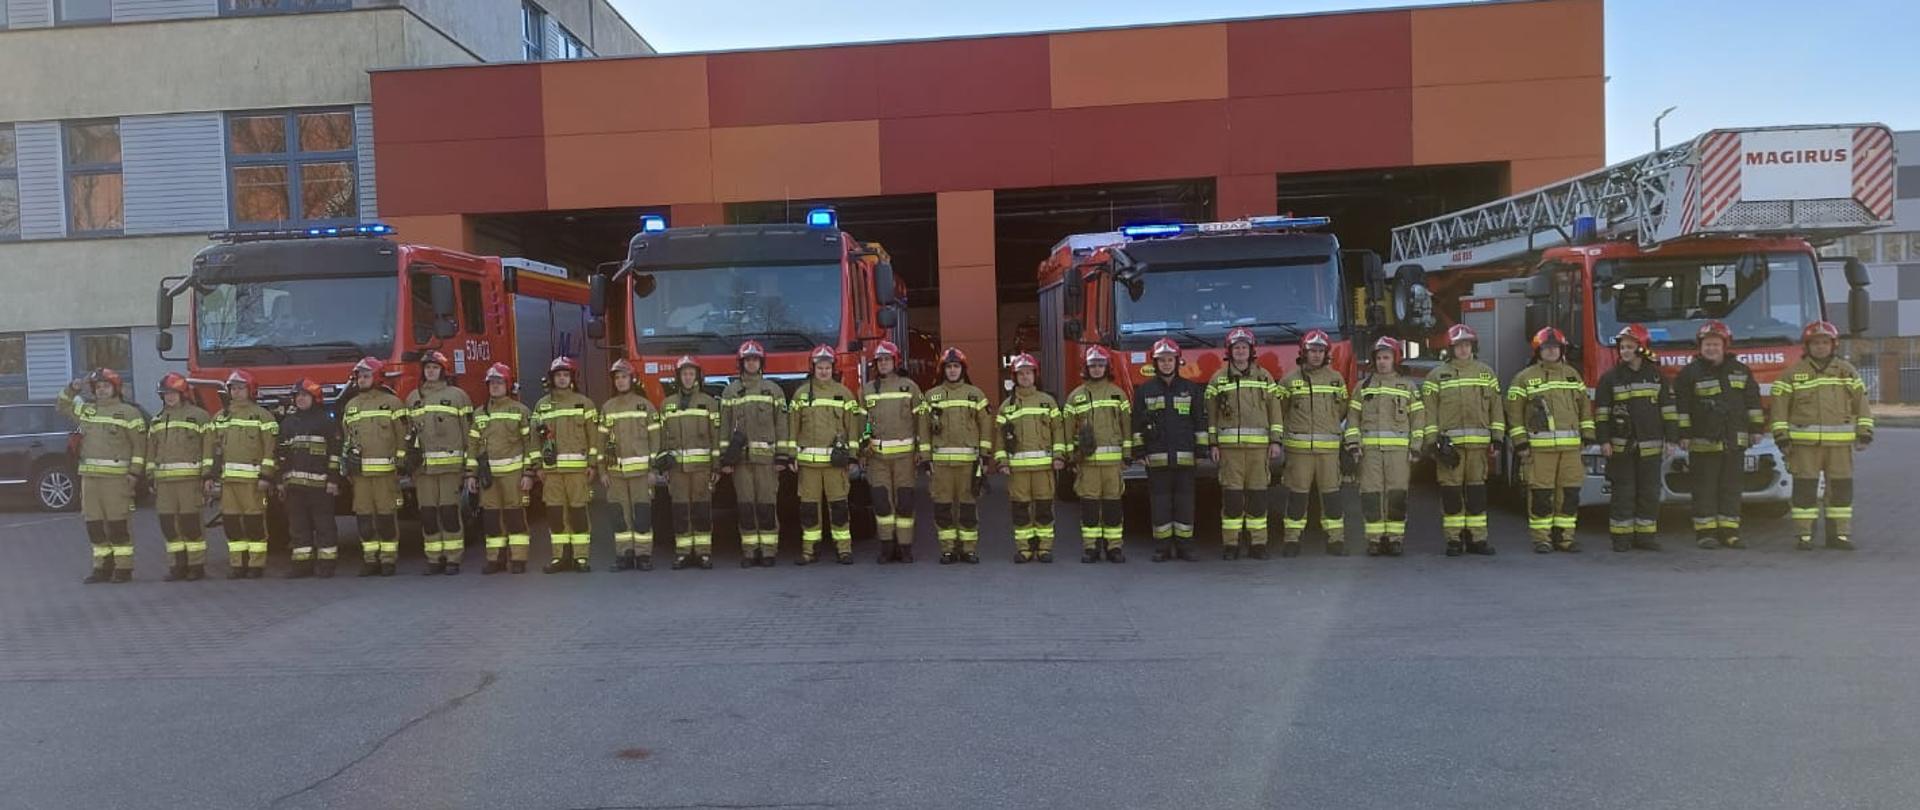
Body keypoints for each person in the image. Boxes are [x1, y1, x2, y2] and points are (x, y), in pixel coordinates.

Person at [1771, 320, 1874, 550]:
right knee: (1805, 490)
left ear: (1833, 345)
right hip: (1803, 446)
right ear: (1807, 346)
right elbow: (1779, 408)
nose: (1820, 347)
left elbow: (1862, 403)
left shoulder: (1847, 372)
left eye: (1825, 342)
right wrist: (1781, 436)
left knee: (1840, 489)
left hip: (1839, 447)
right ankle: (1804, 536)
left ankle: (1839, 535)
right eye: (1815, 343)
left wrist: (1865, 433)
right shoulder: (1792, 374)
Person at [1671, 320, 1764, 550]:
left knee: (1731, 488)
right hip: (1703, 443)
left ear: (1725, 346)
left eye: (1715, 344)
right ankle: (1705, 533)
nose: (1711, 348)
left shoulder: (1740, 371)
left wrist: (1756, 429)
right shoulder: (1690, 373)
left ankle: (1730, 532)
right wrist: (1683, 434)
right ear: (1700, 347)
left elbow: (1752, 402)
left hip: (1734, 440)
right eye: (1707, 344)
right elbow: (1681, 408)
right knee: (1704, 489)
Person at [1507, 327, 1595, 553]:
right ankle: (1542, 539)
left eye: (1555, 348)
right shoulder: (1524, 378)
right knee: (1541, 495)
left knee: (1569, 494)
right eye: (1546, 348)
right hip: (1539, 450)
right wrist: (1521, 444)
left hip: (1571, 449)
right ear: (1538, 351)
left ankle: (1565, 538)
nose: (1551, 352)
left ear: (1562, 350)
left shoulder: (1572, 375)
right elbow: (1514, 414)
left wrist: (1587, 436)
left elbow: (1584, 408)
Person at [58, 369, 147, 583]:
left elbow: (140, 446)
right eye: (98, 387)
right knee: (94, 525)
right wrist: (73, 387)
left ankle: (123, 568)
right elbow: (62, 405)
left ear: (115, 388)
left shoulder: (129, 413)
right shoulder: (88, 410)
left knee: (118, 524)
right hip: (89, 480)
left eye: (106, 386)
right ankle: (101, 568)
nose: (101, 390)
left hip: (117, 480)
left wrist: (135, 474)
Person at [1422, 324, 1503, 556]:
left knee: (1477, 495)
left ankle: (1478, 540)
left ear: (1473, 347)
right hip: (1450, 450)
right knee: (1451, 494)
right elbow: (1429, 412)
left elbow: (1496, 409)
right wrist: (1432, 443)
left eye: (1467, 345)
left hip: (1478, 449)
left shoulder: (1486, 373)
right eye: (1458, 346)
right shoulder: (1436, 376)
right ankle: (1454, 540)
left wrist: (1497, 439)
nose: (1463, 349)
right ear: (1451, 349)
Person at [1206, 327, 1283, 560]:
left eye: (1244, 347)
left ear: (1251, 351)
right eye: (1236, 347)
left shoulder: (1265, 377)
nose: (1240, 351)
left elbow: (1275, 412)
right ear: (1230, 351)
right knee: (1232, 499)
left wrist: (1275, 441)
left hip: (1259, 450)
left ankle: (1258, 544)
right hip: (1230, 451)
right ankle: (1231, 544)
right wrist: (1213, 444)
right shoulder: (1218, 380)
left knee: (1258, 497)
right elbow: (1210, 416)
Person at [1345, 337, 1425, 557]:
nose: (1382, 362)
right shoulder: (1363, 387)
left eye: (1386, 357)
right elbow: (1353, 419)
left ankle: (1395, 539)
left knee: (1397, 495)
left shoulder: (1407, 386)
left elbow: (1418, 419)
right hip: (1369, 454)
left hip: (1399, 454)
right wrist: (1353, 445)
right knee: (1371, 495)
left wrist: (1416, 447)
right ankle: (1374, 540)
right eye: (1379, 358)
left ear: (1394, 359)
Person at [1594, 324, 1671, 553]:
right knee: (1623, 493)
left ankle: (1646, 537)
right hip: (1621, 448)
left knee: (1649, 492)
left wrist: (1673, 439)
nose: (1624, 351)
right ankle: (1621, 538)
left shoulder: (1657, 376)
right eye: (1622, 347)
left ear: (1642, 348)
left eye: (1629, 347)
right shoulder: (1610, 378)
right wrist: (1604, 441)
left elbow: (1669, 411)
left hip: (1651, 447)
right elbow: (1602, 414)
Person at [789, 346, 864, 564]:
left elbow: (853, 429)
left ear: (833, 368)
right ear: (813, 368)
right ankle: (809, 551)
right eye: (820, 367)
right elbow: (792, 428)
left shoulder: (844, 394)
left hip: (835, 464)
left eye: (827, 367)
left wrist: (851, 457)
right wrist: (790, 455)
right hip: (808, 465)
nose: (823, 371)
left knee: (839, 507)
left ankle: (844, 550)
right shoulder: (801, 395)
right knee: (809, 509)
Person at [1134, 337, 1207, 562]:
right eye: (1162, 360)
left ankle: (1185, 547)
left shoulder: (1191, 389)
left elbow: (1199, 422)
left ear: (1178, 362)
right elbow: (1136, 424)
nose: (1166, 364)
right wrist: (1139, 453)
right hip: (1156, 460)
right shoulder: (1144, 391)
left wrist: (1201, 451)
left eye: (1170, 360)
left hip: (1185, 459)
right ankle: (1162, 547)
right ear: (1155, 364)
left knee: (1185, 504)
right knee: (1160, 505)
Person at [1276, 329, 1348, 556]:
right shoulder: (1288, 380)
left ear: (1326, 354)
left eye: (1320, 351)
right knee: (1297, 496)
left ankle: (1336, 540)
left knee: (1332, 496)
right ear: (1303, 353)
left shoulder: (1336, 379)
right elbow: (1281, 411)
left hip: (1328, 452)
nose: (1316, 355)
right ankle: (1292, 541)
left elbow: (1342, 410)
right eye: (1312, 351)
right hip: (1299, 452)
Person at [720, 340, 788, 567]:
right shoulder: (730, 391)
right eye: (747, 360)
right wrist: (725, 459)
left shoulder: (773, 390)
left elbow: (782, 426)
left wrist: (782, 456)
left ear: (761, 363)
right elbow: (724, 428)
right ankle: (750, 551)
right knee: (746, 506)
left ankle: (768, 551)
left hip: (767, 462)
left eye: (755, 359)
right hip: (740, 462)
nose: (751, 363)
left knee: (767, 505)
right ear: (741, 363)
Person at [925, 347, 994, 564]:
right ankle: (948, 550)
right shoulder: (931, 396)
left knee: (967, 508)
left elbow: (986, 425)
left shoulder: (975, 395)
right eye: (948, 367)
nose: (952, 371)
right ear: (942, 370)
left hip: (968, 465)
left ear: (962, 369)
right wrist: (926, 458)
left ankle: (968, 550)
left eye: (956, 366)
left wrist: (984, 456)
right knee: (943, 508)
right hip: (941, 466)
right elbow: (923, 430)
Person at [467, 363, 538, 574]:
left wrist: (528, 473)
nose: (495, 386)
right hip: (489, 477)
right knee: (490, 519)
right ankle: (495, 559)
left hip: (513, 475)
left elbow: (530, 445)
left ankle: (518, 559)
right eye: (492, 383)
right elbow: (472, 447)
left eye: (499, 382)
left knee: (515, 517)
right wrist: (471, 475)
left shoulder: (520, 411)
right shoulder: (480, 413)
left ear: (508, 385)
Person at [406, 350, 472, 575]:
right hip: (423, 470)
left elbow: (468, 433)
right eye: (427, 368)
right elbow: (408, 434)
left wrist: (469, 466)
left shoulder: (458, 396)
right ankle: (434, 559)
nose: (431, 371)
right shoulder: (412, 398)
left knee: (449, 513)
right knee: (428, 515)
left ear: (443, 370)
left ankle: (453, 559)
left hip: (449, 468)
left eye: (435, 368)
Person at [342, 357, 408, 576]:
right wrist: (346, 465)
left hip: (385, 475)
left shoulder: (393, 403)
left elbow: (403, 436)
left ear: (378, 377)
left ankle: (388, 560)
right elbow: (347, 440)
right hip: (360, 476)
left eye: (366, 375)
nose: (362, 379)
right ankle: (370, 560)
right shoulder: (351, 406)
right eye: (359, 376)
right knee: (364, 518)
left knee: (386, 517)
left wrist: (400, 464)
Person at [860, 340, 925, 563]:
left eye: (887, 360)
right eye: (880, 361)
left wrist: (921, 452)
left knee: (904, 503)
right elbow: (861, 423)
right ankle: (886, 546)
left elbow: (921, 421)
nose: (884, 364)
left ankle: (905, 547)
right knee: (882, 503)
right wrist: (862, 449)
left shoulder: (910, 387)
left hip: (905, 459)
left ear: (895, 362)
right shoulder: (867, 390)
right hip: (877, 459)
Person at [1065, 345, 1131, 563]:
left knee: (1113, 506)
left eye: (1100, 365)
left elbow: (1126, 427)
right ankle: (1091, 548)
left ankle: (1114, 547)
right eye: (1092, 365)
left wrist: (1127, 454)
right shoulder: (1075, 397)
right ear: (1086, 368)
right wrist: (1072, 457)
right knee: (1089, 507)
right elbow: (1068, 431)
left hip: (1113, 464)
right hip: (1087, 464)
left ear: (1107, 367)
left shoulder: (1118, 394)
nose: (1096, 369)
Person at [997, 353, 1065, 563]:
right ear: (1014, 377)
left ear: (1035, 375)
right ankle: (1024, 549)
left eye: (1029, 373)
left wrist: (1059, 455)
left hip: (1044, 468)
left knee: (1044, 509)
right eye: (1021, 374)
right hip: (1018, 471)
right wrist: (1002, 461)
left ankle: (1044, 549)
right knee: (1021, 511)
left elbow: (1058, 431)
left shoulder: (1047, 402)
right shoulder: (1006, 406)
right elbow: (999, 437)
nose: (1025, 377)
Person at [210, 369, 277, 579]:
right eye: (233, 389)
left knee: (254, 522)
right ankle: (237, 564)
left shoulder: (263, 416)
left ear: (250, 390)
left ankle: (256, 565)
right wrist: (212, 477)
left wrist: (266, 476)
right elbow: (213, 449)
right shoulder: (220, 417)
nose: (237, 392)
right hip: (228, 482)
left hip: (253, 483)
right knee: (231, 523)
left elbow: (271, 449)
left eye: (241, 388)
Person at [534, 356, 599, 573]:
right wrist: (538, 467)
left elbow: (594, 438)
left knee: (578, 514)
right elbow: (534, 441)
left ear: (572, 378)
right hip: (551, 473)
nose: (562, 379)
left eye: (565, 375)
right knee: (555, 516)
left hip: (577, 471)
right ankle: (559, 557)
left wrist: (592, 464)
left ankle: (580, 557)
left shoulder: (585, 403)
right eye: (558, 375)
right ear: (552, 378)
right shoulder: (541, 406)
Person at [147, 372, 213, 582]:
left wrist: (207, 475)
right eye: (166, 393)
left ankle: (196, 566)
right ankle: (177, 565)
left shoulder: (200, 416)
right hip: (164, 483)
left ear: (183, 393)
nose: (170, 397)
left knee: (191, 524)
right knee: (168, 525)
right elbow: (151, 450)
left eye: (174, 393)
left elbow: (209, 448)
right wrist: (150, 476)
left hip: (190, 481)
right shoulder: (157, 420)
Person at [660, 356, 721, 569]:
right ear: (678, 377)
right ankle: (683, 553)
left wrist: (716, 466)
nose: (687, 378)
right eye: (684, 374)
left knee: (702, 510)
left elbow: (716, 437)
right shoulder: (667, 405)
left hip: (701, 470)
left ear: (697, 377)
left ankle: (703, 553)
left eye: (691, 374)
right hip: (676, 470)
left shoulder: (709, 403)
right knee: (680, 512)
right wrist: (664, 467)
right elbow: (662, 437)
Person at [600, 358, 662, 570]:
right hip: (615, 475)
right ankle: (624, 555)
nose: (620, 381)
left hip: (641, 474)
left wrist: (654, 470)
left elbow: (656, 440)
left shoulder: (645, 406)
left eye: (624, 377)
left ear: (632, 379)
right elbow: (600, 444)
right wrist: (602, 471)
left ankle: (643, 556)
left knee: (642, 515)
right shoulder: (607, 408)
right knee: (620, 517)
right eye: (617, 378)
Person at [279, 378, 341, 578]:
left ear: (315, 398)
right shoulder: (289, 423)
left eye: (305, 396)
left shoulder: (326, 421)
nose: (300, 399)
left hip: (320, 486)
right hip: (295, 487)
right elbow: (282, 454)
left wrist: (333, 480)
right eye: (297, 396)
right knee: (298, 527)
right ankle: (301, 566)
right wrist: (281, 481)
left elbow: (334, 454)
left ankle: (327, 565)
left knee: (324, 525)